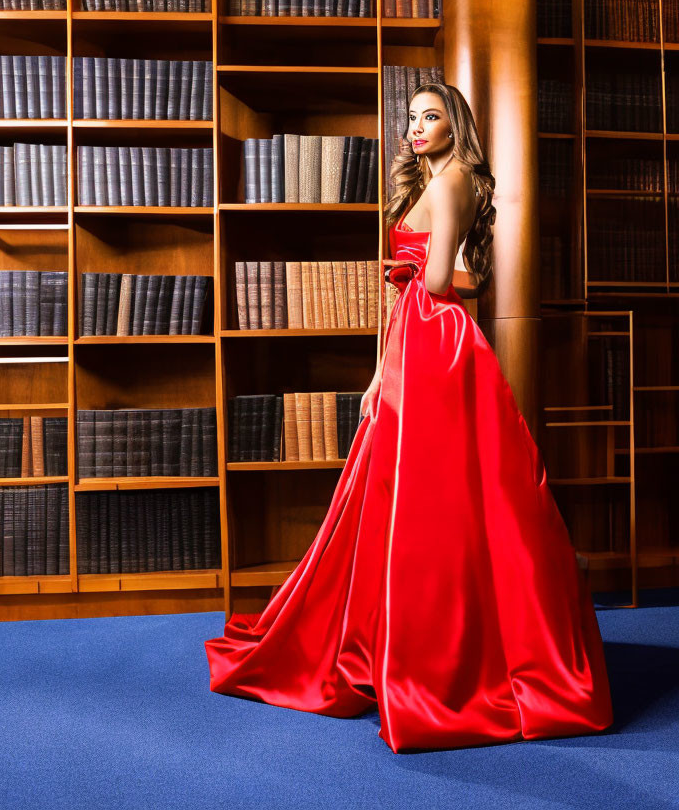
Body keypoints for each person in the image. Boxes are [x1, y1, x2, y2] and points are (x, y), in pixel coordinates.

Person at [204, 83, 614, 753]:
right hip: (418, 341)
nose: (417, 126)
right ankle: (409, 638)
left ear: (457, 126)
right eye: (413, 117)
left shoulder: (451, 184)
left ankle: (441, 655)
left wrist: (410, 272)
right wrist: (376, 374)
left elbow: (434, 286)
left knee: (436, 501)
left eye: (432, 117)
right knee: (417, 498)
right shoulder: (439, 182)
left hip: (438, 344)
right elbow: (449, 279)